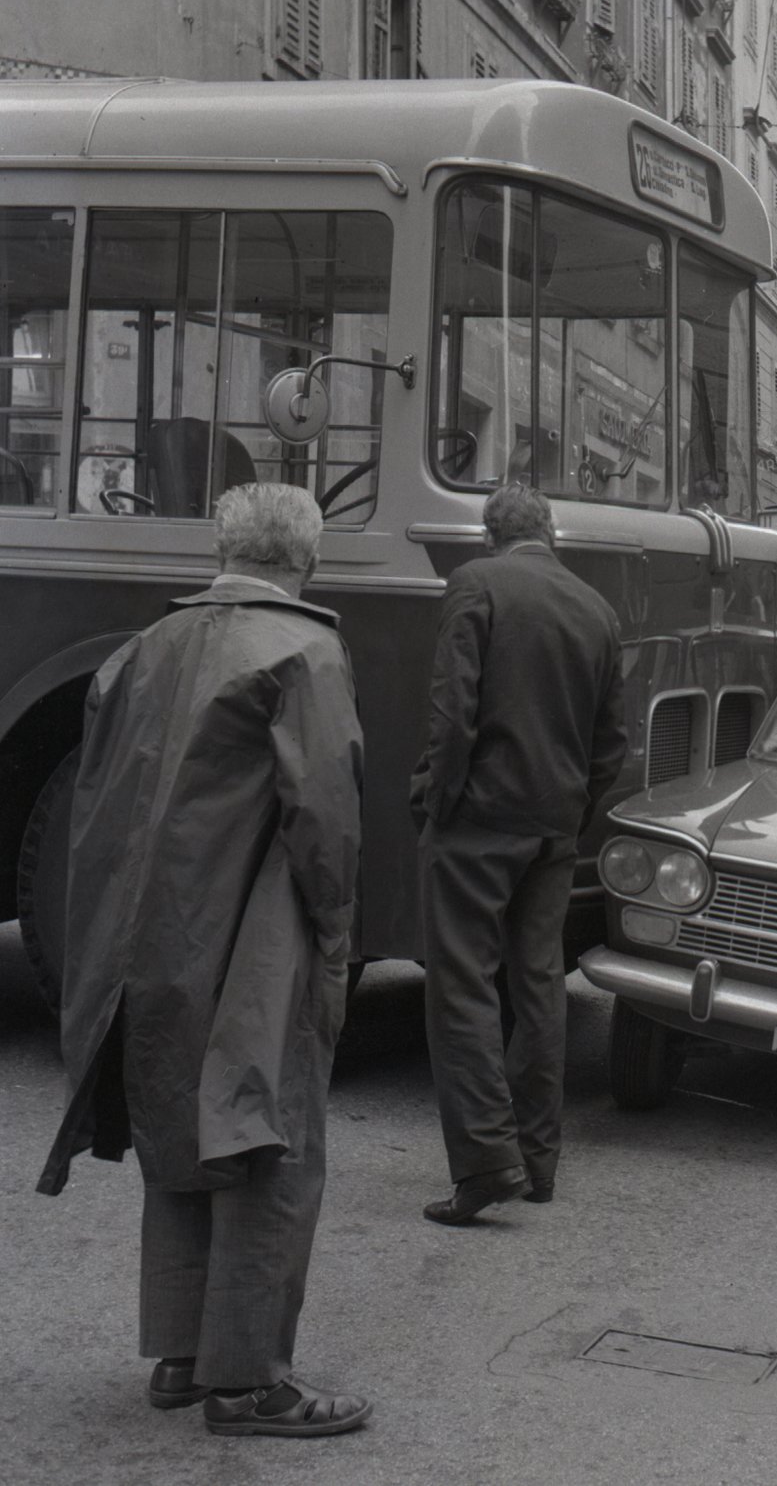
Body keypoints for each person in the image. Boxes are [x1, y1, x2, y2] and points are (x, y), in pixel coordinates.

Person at [37, 483, 370, 1438]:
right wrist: (336, 939)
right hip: (258, 935)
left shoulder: (142, 649)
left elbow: (96, 806)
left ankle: (183, 1355)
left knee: (180, 1127)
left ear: (223, 551)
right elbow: (325, 822)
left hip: (145, 934)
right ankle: (249, 1379)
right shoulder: (304, 652)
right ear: (307, 559)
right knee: (268, 1139)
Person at [414, 483, 628, 1225]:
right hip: (553, 825)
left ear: (489, 535)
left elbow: (452, 711)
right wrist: (571, 810)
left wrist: (438, 799)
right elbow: (611, 742)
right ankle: (538, 1162)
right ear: (551, 533)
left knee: (462, 984)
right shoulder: (596, 610)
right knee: (539, 985)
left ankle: (484, 1162)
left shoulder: (475, 584)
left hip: (479, 817)